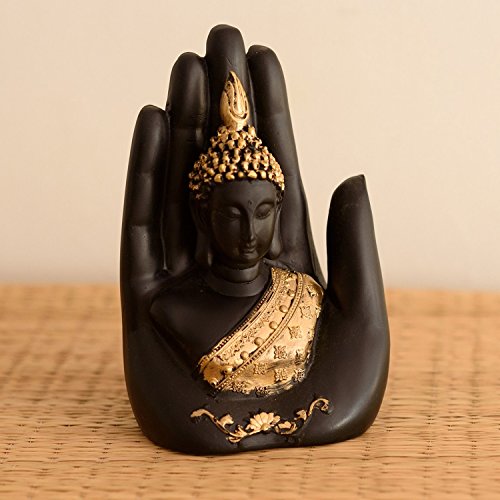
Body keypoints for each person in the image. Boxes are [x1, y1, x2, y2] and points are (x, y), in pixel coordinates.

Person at [121, 25, 389, 454]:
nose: (249, 232)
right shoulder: (174, 311)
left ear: (280, 211)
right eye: (232, 215)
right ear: (202, 216)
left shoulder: (305, 299)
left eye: (263, 213)